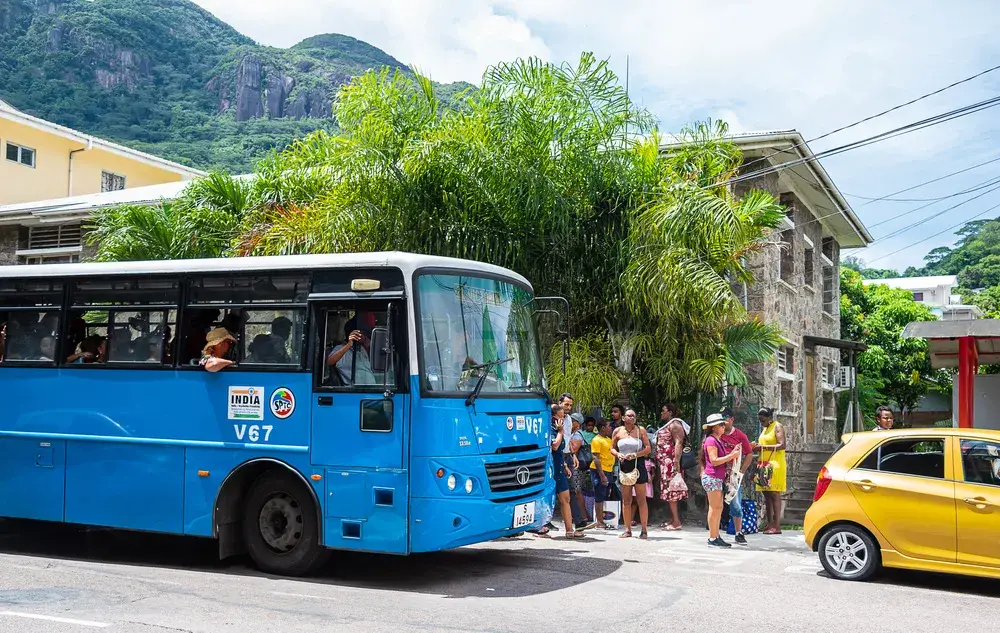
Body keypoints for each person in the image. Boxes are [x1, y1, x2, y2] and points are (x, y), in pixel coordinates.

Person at [701, 413, 741, 548]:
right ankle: (712, 537)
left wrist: (733, 454)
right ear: (713, 427)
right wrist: (731, 455)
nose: (724, 426)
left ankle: (715, 535)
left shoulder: (716, 440)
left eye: (724, 424)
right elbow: (714, 461)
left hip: (716, 478)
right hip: (712, 477)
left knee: (718, 507)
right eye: (721, 425)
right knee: (714, 508)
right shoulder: (711, 440)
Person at [611, 408, 651, 539]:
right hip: (624, 465)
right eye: (629, 415)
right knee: (626, 499)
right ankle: (627, 529)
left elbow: (648, 448)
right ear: (623, 418)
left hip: (638, 464)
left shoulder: (641, 430)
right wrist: (618, 454)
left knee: (641, 499)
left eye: (634, 416)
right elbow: (612, 448)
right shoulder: (618, 431)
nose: (632, 418)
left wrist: (635, 454)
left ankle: (644, 530)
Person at [548, 403, 583, 538]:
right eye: (560, 417)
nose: (563, 420)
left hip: (559, 465)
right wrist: (561, 431)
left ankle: (569, 530)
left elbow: (561, 450)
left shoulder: (558, 429)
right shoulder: (551, 429)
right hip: (550, 467)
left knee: (566, 497)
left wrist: (564, 465)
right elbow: (555, 446)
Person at [720, 407, 754, 545]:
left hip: (733, 474)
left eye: (725, 417)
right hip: (718, 472)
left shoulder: (740, 435)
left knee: (736, 504)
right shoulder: (717, 434)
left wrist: (742, 470)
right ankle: (714, 532)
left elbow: (749, 453)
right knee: (716, 504)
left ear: (732, 419)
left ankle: (739, 532)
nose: (723, 420)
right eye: (721, 417)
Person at [754, 407, 787, 535]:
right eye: (760, 421)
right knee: (766, 495)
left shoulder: (777, 426)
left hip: (775, 464)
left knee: (774, 494)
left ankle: (777, 526)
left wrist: (763, 447)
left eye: (763, 420)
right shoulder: (765, 428)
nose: (761, 423)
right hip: (764, 464)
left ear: (769, 418)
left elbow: (782, 445)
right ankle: (769, 523)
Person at [655, 403, 688, 530]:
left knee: (672, 491)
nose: (662, 413)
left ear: (670, 412)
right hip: (665, 464)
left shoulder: (675, 425)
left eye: (664, 411)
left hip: (671, 464)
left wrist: (676, 463)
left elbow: (679, 443)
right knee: (669, 491)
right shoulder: (668, 425)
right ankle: (673, 519)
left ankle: (676, 521)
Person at [326, 316, 376, 385]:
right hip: (355, 392)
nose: (365, 336)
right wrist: (349, 344)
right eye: (363, 333)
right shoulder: (341, 349)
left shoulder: (361, 349)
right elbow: (329, 362)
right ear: (354, 334)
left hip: (370, 391)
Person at [568, 413, 597, 530]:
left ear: (577, 423)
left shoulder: (577, 435)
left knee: (576, 491)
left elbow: (573, 449)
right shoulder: (573, 434)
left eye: (573, 421)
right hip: (575, 467)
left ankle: (582, 516)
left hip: (577, 467)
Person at [590, 418, 616, 530]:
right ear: (603, 428)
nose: (611, 428)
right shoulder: (597, 440)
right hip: (599, 470)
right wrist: (602, 475)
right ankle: (599, 521)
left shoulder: (608, 439)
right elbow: (596, 458)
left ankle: (605, 518)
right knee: (599, 495)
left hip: (609, 470)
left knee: (605, 494)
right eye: (609, 426)